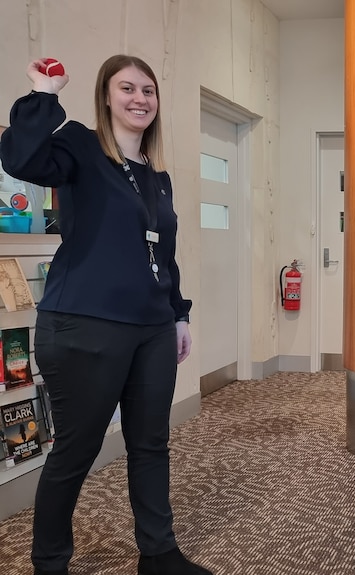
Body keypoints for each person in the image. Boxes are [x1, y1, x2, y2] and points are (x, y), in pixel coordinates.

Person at [0, 56, 211, 575]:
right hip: (84, 325)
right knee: (77, 450)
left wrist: (178, 313)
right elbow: (21, 159)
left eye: (149, 90)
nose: (140, 98)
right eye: (127, 88)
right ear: (106, 96)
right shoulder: (78, 146)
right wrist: (44, 93)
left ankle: (158, 554)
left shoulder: (157, 178)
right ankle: (50, 563)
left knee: (150, 443)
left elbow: (164, 253)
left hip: (153, 329)